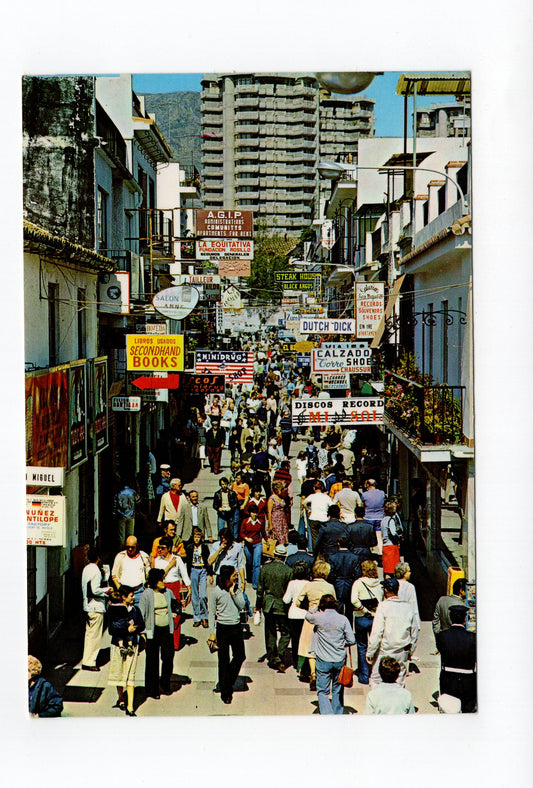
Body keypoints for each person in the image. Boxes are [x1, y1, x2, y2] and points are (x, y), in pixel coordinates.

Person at [305, 593, 355, 715]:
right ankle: (337, 713)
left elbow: (307, 616)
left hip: (323, 659)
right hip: (339, 659)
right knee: (337, 690)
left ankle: (327, 715)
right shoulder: (343, 619)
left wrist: (315, 607)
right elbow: (352, 640)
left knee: (322, 691)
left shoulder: (318, 618)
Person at [366, 577, 418, 687]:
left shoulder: (383, 607)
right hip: (401, 653)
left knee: (376, 681)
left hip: (384, 652)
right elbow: (414, 633)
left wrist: (370, 652)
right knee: (399, 681)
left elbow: (377, 632)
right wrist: (410, 652)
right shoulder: (408, 608)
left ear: (385, 590)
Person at [207, 564, 247, 704]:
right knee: (223, 660)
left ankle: (226, 681)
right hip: (222, 628)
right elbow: (211, 614)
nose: (237, 576)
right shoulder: (215, 592)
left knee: (240, 656)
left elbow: (242, 605)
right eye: (234, 575)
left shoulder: (237, 588)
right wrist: (212, 632)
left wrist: (234, 593)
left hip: (235, 627)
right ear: (226, 577)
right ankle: (226, 692)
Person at [295, 560, 336, 691]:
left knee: (309, 647)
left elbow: (297, 602)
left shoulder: (308, 586)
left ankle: (312, 673)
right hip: (326, 618)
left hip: (311, 618)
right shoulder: (330, 587)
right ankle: (321, 673)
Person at [138, 568, 179, 698]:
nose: (164, 581)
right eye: (162, 579)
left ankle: (165, 683)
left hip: (166, 630)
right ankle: (153, 689)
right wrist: (143, 633)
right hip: (152, 631)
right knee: (152, 660)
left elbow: (175, 605)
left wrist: (175, 612)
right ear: (155, 581)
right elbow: (141, 614)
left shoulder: (168, 592)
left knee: (168, 657)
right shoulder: (147, 594)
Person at [107, 585, 145, 716]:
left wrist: (136, 628)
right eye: (131, 595)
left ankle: (130, 706)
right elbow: (111, 629)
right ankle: (121, 699)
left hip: (132, 645)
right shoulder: (114, 610)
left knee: (130, 675)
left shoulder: (135, 609)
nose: (134, 597)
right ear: (123, 597)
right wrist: (126, 630)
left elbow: (142, 624)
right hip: (118, 646)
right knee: (119, 674)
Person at [255, 544, 293, 672]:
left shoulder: (265, 569)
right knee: (286, 632)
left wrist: (258, 607)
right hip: (282, 604)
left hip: (268, 604)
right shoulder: (288, 571)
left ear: (274, 555)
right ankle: (280, 654)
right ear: (284, 557)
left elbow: (259, 590)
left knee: (270, 632)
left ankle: (272, 657)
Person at [436, 604, 477, 712]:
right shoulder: (473, 638)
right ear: (465, 618)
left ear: (450, 618)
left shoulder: (442, 636)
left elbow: (442, 651)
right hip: (468, 680)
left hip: (448, 678)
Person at [153, 536, 191, 650]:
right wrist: (169, 565)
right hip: (162, 588)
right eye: (159, 547)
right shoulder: (157, 560)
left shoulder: (177, 559)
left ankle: (175, 643)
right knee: (162, 614)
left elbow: (184, 575)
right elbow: (158, 575)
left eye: (162, 548)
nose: (160, 550)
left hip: (174, 587)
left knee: (176, 615)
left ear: (169, 548)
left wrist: (189, 589)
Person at [351, 560, 384, 684]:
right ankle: (376, 672)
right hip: (376, 618)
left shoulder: (358, 583)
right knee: (376, 644)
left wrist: (364, 610)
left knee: (362, 645)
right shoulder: (380, 584)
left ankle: (364, 674)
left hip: (361, 617)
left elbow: (353, 600)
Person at [81, 546, 111, 671]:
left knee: (89, 635)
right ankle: (90, 662)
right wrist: (107, 590)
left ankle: (86, 659)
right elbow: (95, 590)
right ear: (98, 558)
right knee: (95, 636)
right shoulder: (96, 571)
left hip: (88, 606)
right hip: (96, 606)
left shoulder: (87, 569)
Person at [328, 536, 370, 622]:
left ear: (338, 544)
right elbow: (358, 573)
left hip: (338, 583)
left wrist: (333, 581)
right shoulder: (354, 557)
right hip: (350, 582)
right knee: (349, 610)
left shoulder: (333, 557)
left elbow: (331, 573)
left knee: (338, 608)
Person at [282, 561, 311, 672]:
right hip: (305, 614)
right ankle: (303, 662)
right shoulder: (308, 583)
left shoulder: (292, 583)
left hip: (293, 614)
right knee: (305, 641)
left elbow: (286, 599)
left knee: (295, 640)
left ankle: (295, 661)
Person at [184, 527, 213, 628]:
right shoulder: (189, 547)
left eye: (198, 537)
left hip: (203, 570)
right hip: (193, 570)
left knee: (203, 595)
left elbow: (208, 561)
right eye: (195, 536)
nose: (197, 539)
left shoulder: (204, 547)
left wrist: (210, 574)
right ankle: (197, 617)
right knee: (195, 596)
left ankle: (205, 616)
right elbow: (187, 560)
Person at [111, 536, 151, 605]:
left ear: (137, 545)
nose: (130, 549)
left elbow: (148, 574)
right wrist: (120, 588)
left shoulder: (144, 557)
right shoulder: (120, 556)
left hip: (139, 593)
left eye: (132, 547)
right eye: (128, 547)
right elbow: (114, 574)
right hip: (123, 594)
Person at [240, 503, 267, 590]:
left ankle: (255, 583)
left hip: (257, 544)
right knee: (249, 562)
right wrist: (246, 539)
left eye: (256, 513)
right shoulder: (245, 521)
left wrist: (267, 540)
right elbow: (241, 533)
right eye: (253, 512)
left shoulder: (260, 522)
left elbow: (263, 533)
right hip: (248, 544)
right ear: (250, 513)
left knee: (256, 563)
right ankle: (249, 577)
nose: (254, 514)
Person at [303, 480, 332, 550]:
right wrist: (329, 516)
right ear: (322, 488)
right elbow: (332, 506)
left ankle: (315, 553)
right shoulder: (326, 497)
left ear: (314, 488)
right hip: (324, 519)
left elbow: (303, 503)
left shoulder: (312, 496)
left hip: (314, 518)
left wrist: (308, 510)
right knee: (324, 538)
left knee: (314, 538)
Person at [395, 562, 421, 633]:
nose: (410, 573)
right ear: (404, 573)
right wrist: (417, 625)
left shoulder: (393, 584)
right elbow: (413, 606)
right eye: (408, 571)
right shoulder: (410, 587)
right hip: (405, 620)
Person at [362, 478, 386, 555]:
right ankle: (380, 553)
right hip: (380, 517)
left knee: (368, 537)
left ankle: (370, 554)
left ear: (367, 485)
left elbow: (363, 505)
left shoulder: (364, 494)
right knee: (379, 537)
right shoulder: (382, 493)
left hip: (368, 517)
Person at [113, 479, 139, 547]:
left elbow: (115, 505)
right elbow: (138, 501)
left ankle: (121, 550)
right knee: (130, 534)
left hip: (121, 516)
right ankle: (130, 549)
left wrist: (114, 514)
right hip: (131, 516)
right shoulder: (133, 492)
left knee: (121, 535)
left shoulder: (119, 493)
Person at [381, 500, 402, 577]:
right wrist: (399, 537)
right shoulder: (391, 520)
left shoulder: (383, 520)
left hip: (385, 546)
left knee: (387, 570)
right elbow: (393, 533)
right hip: (392, 547)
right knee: (393, 570)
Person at [231, 471, 251, 540]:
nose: (236, 479)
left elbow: (246, 496)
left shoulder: (245, 486)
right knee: (236, 520)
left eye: (238, 478)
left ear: (242, 479)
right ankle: (235, 536)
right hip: (235, 503)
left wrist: (243, 505)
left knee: (243, 520)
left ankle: (242, 536)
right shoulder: (234, 484)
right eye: (236, 477)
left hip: (242, 503)